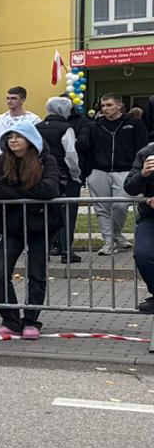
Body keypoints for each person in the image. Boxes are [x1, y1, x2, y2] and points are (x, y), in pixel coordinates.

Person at [0, 120, 59, 340]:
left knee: (36, 273)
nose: (13, 141)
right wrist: (27, 193)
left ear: (30, 139)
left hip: (41, 225)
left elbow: (49, 189)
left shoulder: (46, 160)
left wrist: (14, 190)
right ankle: (10, 320)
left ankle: (31, 321)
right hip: (12, 226)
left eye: (18, 136)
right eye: (9, 137)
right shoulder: (1, 161)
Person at [82, 92, 146, 255]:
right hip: (99, 170)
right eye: (103, 105)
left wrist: (137, 168)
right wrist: (89, 170)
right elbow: (88, 149)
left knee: (120, 205)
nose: (105, 109)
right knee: (101, 207)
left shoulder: (134, 123)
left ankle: (116, 234)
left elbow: (141, 146)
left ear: (119, 105)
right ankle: (108, 241)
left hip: (125, 170)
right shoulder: (95, 126)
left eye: (109, 105)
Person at [37, 96, 83, 263]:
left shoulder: (37, 127)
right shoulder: (66, 128)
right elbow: (70, 154)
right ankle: (66, 251)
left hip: (41, 175)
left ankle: (44, 251)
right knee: (67, 214)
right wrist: (76, 175)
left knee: (45, 214)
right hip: (64, 176)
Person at [121, 138, 154, 312]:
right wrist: (143, 174)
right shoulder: (146, 153)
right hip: (150, 216)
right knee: (143, 254)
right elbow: (129, 188)